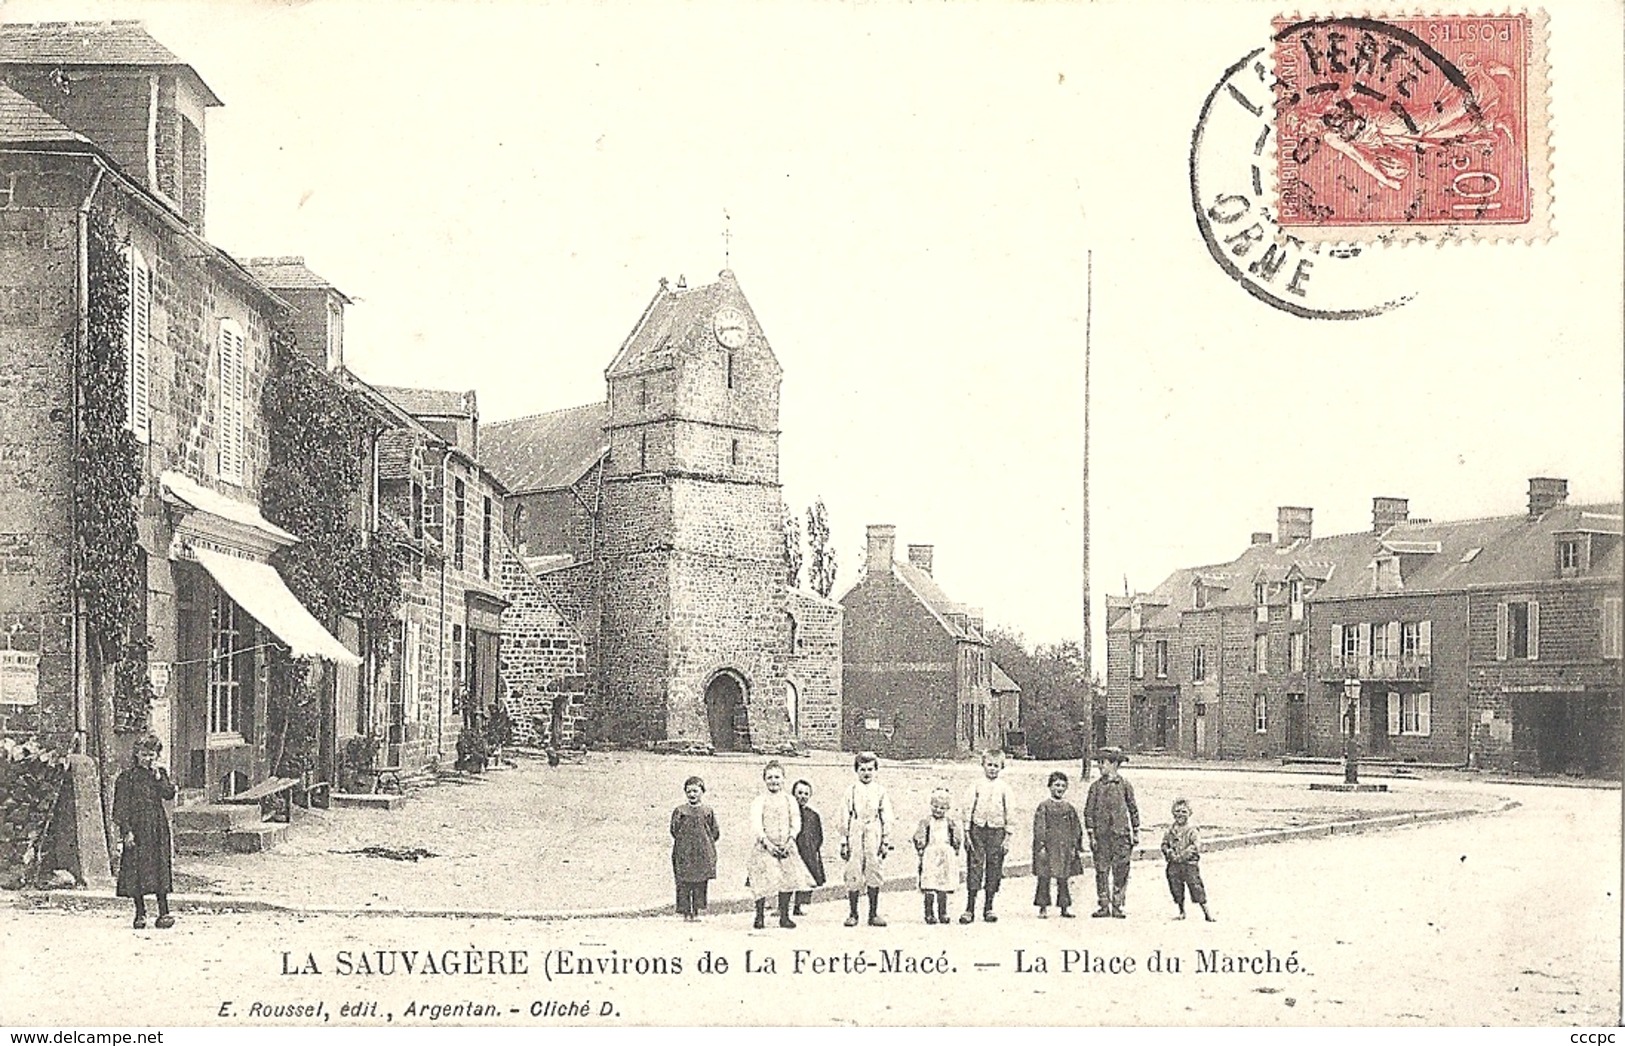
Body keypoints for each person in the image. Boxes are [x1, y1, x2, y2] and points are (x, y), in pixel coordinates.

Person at [113, 734, 176, 929]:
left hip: (157, 826)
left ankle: (164, 912)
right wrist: (126, 831)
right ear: (137, 755)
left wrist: (159, 778)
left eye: (152, 755)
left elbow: (169, 794)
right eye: (144, 754)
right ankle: (140, 913)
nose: (148, 759)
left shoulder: (159, 774)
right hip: (137, 827)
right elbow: (121, 807)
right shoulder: (127, 777)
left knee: (159, 868)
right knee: (136, 869)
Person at [746, 761, 814, 929]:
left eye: (777, 777)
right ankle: (759, 915)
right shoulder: (760, 801)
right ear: (764, 780)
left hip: (786, 846)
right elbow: (756, 824)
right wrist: (766, 842)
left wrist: (791, 839)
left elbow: (796, 821)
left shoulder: (790, 800)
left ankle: (784, 916)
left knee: (788, 879)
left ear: (783, 779)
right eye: (769, 777)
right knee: (761, 880)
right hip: (766, 847)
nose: (773, 781)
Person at [838, 751, 894, 927]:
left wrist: (885, 841)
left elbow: (887, 816)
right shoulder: (851, 791)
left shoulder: (880, 791)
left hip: (873, 831)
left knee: (874, 869)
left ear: (876, 770)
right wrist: (843, 842)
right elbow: (843, 816)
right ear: (857, 771)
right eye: (862, 769)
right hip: (855, 830)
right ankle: (853, 913)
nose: (866, 773)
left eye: (870, 769)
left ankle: (873, 914)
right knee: (853, 870)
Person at [1084, 746, 1139, 919]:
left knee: (1121, 869)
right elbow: (1089, 811)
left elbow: (1133, 809)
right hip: (1101, 837)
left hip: (1121, 834)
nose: (1100, 767)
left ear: (1115, 764)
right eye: (1099, 763)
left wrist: (1135, 831)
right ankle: (1103, 905)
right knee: (1101, 870)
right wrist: (1091, 835)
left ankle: (1118, 905)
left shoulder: (1124, 785)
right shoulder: (1095, 787)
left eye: (1104, 763)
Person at [959, 749, 1013, 923]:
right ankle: (969, 908)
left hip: (997, 832)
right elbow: (967, 808)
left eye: (996, 766)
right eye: (989, 765)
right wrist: (967, 831)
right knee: (975, 866)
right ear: (983, 765)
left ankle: (989, 907)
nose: (992, 769)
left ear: (1001, 767)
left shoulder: (1005, 788)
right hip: (978, 830)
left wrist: (1007, 837)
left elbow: (1010, 813)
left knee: (994, 867)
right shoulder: (976, 785)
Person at [1032, 769, 1084, 919]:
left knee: (1064, 878)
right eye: (1056, 785)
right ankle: (1043, 908)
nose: (1059, 789)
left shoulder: (1069, 808)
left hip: (1064, 848)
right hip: (1048, 848)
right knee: (1044, 877)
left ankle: (1064, 907)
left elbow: (1076, 828)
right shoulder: (1044, 806)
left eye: (1062, 785)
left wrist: (1075, 845)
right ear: (1049, 787)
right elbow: (1039, 827)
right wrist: (1041, 846)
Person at [670, 775, 720, 922]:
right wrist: (685, 843)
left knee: (700, 882)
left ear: (702, 792)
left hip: (702, 852)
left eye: (695, 791)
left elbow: (714, 831)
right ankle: (686, 912)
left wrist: (705, 844)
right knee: (684, 882)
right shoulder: (680, 811)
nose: (692, 794)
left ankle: (696, 911)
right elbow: (674, 829)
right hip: (684, 852)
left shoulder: (707, 811)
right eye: (689, 791)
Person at [911, 787, 961, 924]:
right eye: (935, 806)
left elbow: (956, 837)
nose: (938, 810)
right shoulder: (926, 822)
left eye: (942, 808)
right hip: (931, 854)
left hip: (944, 854)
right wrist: (921, 848)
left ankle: (943, 912)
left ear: (947, 808)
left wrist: (955, 848)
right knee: (929, 883)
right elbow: (919, 836)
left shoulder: (949, 823)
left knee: (942, 884)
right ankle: (929, 913)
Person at [1161, 797, 1215, 922]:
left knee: (1196, 887)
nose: (1180, 814)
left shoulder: (1192, 830)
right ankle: (1181, 911)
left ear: (1189, 813)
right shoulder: (1170, 830)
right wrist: (1170, 853)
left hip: (1189, 864)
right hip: (1173, 864)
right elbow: (1164, 844)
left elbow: (1195, 846)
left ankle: (1207, 912)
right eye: (1177, 811)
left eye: (1184, 812)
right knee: (1176, 887)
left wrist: (1183, 855)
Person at [791, 779, 825, 917]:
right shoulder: (788, 812)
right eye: (799, 793)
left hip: (807, 850)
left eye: (806, 793)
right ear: (793, 794)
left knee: (805, 878)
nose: (802, 796)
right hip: (791, 849)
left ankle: (799, 906)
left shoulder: (813, 815)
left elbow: (819, 835)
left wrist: (813, 848)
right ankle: (782, 907)